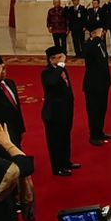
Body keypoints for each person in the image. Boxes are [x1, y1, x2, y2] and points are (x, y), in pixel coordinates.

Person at [41, 45, 78, 176]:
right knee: (55, 141)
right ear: (52, 59)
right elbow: (51, 82)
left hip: (65, 110)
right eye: (59, 57)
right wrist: (60, 67)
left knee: (65, 137)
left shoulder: (62, 70)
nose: (63, 59)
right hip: (53, 113)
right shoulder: (47, 72)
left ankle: (66, 162)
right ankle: (57, 167)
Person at [83, 23, 111, 146]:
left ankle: (100, 131)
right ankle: (93, 135)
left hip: (103, 82)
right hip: (93, 84)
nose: (102, 33)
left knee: (102, 108)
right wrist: (95, 37)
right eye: (100, 31)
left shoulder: (100, 43)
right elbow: (87, 53)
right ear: (94, 32)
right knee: (94, 110)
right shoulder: (90, 44)